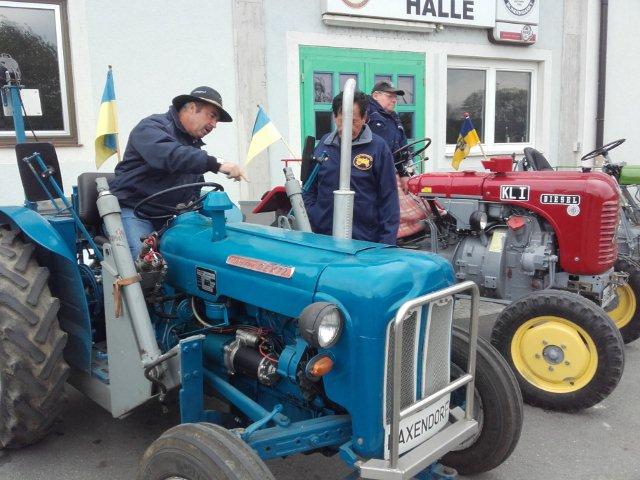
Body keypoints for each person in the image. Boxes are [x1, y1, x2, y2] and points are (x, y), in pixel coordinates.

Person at [108, 86, 247, 258]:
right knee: (144, 262)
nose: (214, 125)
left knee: (203, 252)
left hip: (171, 217)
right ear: (191, 107)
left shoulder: (192, 145)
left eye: (216, 120)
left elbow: (193, 188)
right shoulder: (151, 128)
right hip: (137, 211)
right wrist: (217, 163)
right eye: (212, 116)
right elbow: (170, 155)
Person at [303, 90, 399, 245]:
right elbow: (309, 188)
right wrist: (314, 215)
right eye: (343, 121)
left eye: (353, 121)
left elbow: (389, 199)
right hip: (324, 238)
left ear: (364, 118)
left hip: (365, 241)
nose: (347, 127)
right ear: (335, 117)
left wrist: (386, 243)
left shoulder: (378, 148)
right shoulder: (323, 145)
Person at [367, 81, 413, 192]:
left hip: (391, 174)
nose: (394, 100)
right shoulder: (365, 114)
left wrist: (404, 174)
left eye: (395, 97)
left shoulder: (394, 117)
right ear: (376, 96)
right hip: (370, 178)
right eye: (389, 96)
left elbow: (402, 145)